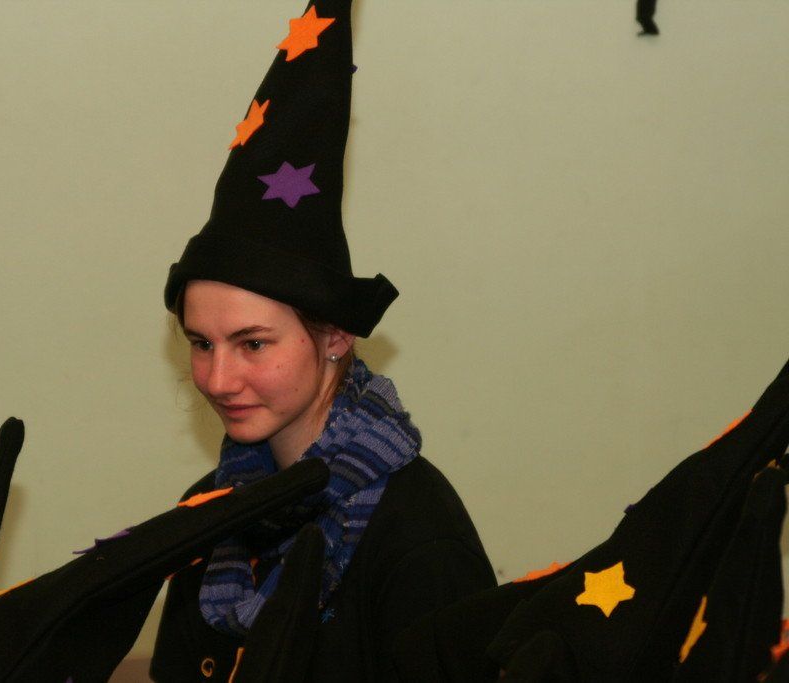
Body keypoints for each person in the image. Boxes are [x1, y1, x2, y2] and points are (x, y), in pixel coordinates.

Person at [150, 1, 495, 680]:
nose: (217, 379)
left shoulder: (417, 542)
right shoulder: (209, 512)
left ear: (334, 335)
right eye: (202, 343)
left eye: (252, 344)